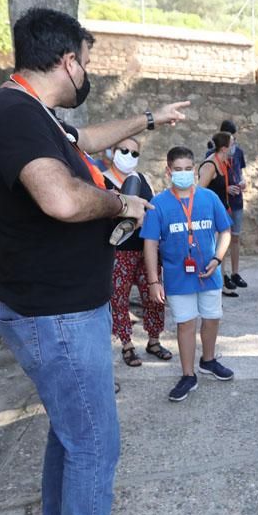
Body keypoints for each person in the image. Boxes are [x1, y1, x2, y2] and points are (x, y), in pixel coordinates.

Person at [0, 7, 187, 515]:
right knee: (94, 442)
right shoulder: (12, 115)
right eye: (86, 60)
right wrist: (121, 201)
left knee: (70, 433)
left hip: (54, 309)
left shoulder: (27, 113)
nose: (87, 70)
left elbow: (83, 143)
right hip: (57, 315)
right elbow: (62, 197)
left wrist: (149, 118)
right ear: (67, 60)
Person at [142, 146, 236, 402]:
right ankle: (188, 375)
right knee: (185, 324)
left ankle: (208, 360)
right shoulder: (158, 204)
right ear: (168, 171)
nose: (183, 174)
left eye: (187, 169)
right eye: (178, 170)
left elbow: (225, 231)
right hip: (177, 276)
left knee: (212, 317)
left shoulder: (209, 198)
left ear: (194, 170)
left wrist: (217, 258)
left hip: (209, 274)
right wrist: (153, 280)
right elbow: (149, 243)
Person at [103, 136, 171, 366]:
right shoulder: (102, 181)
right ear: (112, 151)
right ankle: (127, 344)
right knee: (118, 298)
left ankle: (154, 340)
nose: (129, 156)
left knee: (154, 295)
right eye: (124, 150)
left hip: (146, 249)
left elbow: (153, 208)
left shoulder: (142, 179)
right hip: (117, 250)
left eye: (134, 153)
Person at [198, 132, 240, 298]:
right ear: (224, 148)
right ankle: (212, 288)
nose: (234, 145)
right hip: (211, 215)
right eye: (232, 143)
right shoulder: (210, 165)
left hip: (222, 212)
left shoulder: (223, 162)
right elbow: (199, 191)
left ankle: (220, 285)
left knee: (221, 251)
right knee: (213, 251)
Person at [219, 120, 248, 290]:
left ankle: (235, 273)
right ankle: (223, 275)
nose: (234, 143)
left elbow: (239, 172)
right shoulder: (212, 152)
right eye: (231, 139)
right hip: (223, 202)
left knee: (235, 237)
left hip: (237, 200)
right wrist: (226, 187)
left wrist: (242, 182)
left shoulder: (239, 152)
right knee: (223, 238)